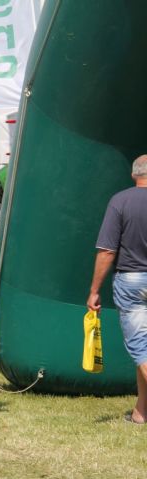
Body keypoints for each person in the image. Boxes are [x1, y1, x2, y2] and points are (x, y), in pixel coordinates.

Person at [87, 154, 147, 425]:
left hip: (132, 281)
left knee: (140, 347)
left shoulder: (120, 201)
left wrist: (94, 290)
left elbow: (107, 250)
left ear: (134, 174)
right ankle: (141, 412)